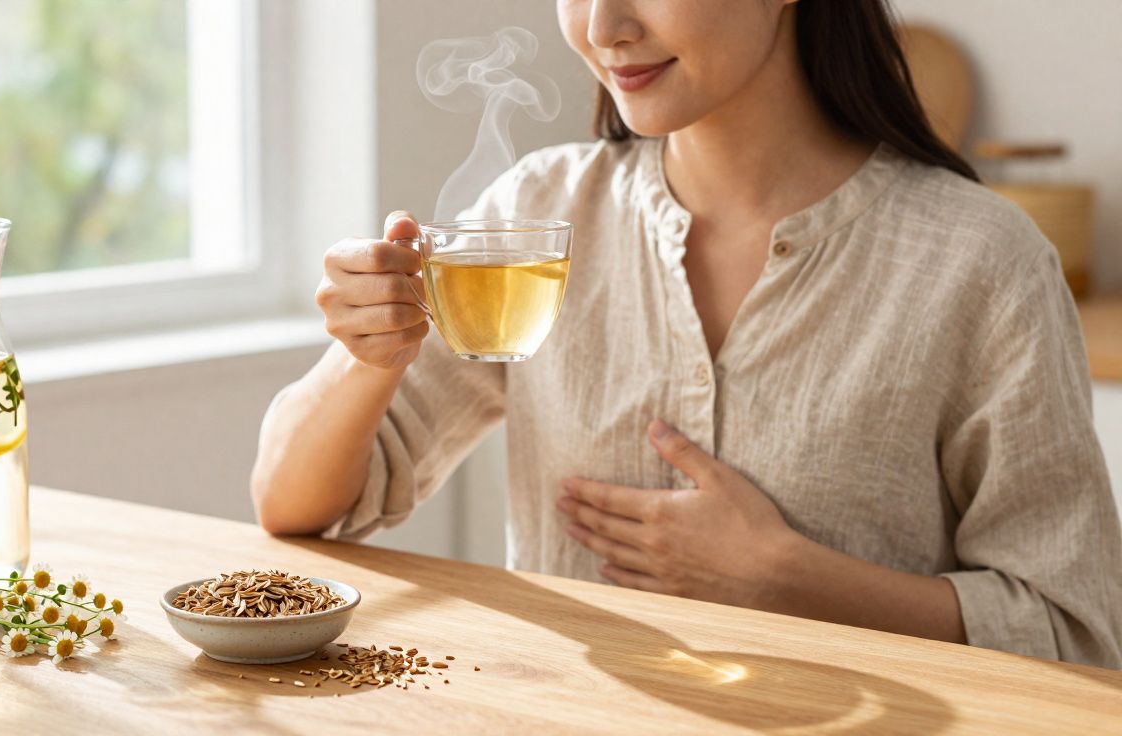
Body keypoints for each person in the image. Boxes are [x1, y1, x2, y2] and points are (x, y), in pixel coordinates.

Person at [250, 0, 1122, 667]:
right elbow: (293, 505)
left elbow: (1076, 634)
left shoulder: (979, 261)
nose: (604, 26)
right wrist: (368, 360)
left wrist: (789, 580)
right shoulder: (539, 211)